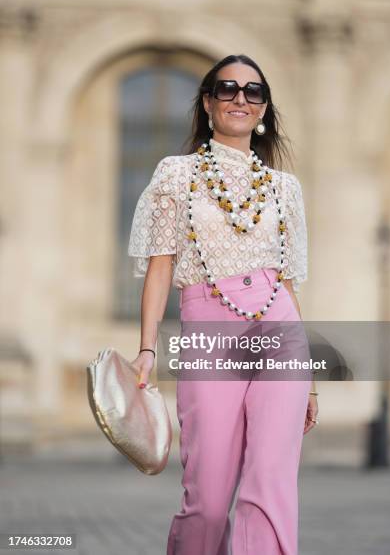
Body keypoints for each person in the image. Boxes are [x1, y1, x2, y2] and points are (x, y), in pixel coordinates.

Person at [128, 54, 319, 555]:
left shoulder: (284, 189)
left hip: (280, 333)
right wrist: (147, 349)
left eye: (253, 92)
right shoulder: (177, 174)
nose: (241, 98)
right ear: (209, 104)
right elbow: (161, 266)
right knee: (207, 503)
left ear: (264, 111)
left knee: (269, 491)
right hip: (209, 331)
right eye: (227, 89)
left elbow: (286, 280)